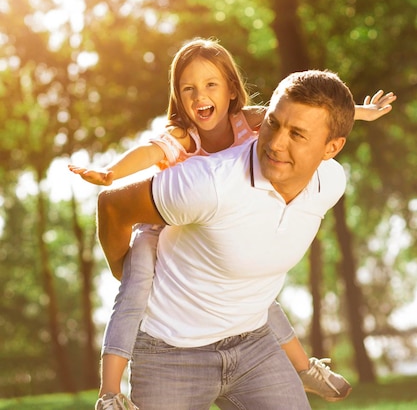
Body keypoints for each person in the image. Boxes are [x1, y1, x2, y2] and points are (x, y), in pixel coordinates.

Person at [71, 39, 396, 410]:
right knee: (134, 289)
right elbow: (122, 192)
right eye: (188, 88)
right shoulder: (196, 160)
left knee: (262, 293)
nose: (276, 143)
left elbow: (316, 114)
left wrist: (362, 113)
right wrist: (122, 260)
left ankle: (303, 367)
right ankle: (109, 395)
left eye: (211, 85)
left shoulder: (312, 167)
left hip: (249, 334)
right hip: (167, 312)